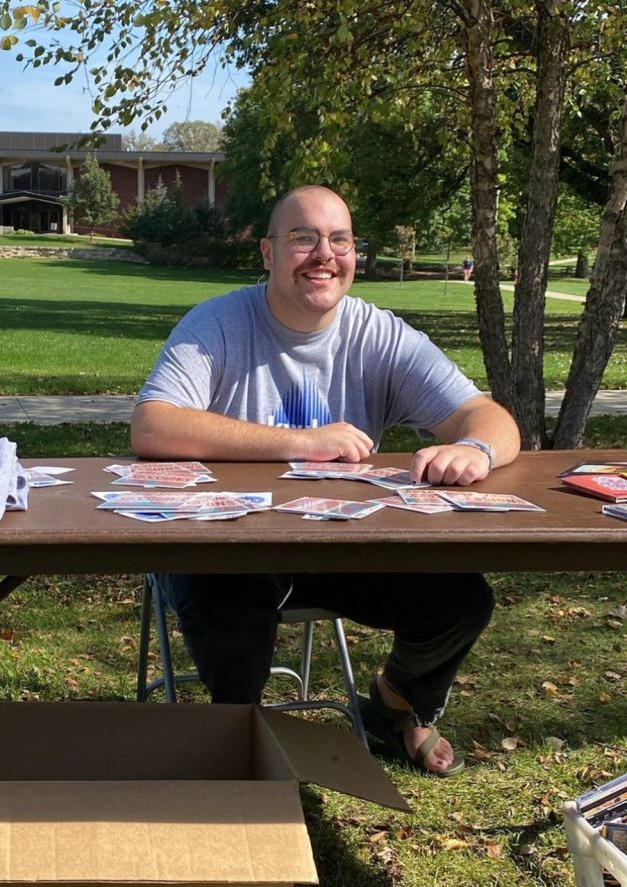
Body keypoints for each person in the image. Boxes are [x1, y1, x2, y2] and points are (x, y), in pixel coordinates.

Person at [131, 185, 520, 777]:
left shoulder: (380, 335)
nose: (324, 253)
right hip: (228, 541)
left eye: (339, 239)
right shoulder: (217, 323)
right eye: (302, 237)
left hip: (339, 543)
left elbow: (489, 417)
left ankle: (394, 705)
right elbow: (153, 426)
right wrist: (301, 443)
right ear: (267, 252)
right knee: (229, 599)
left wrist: (474, 448)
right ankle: (239, 737)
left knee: (461, 602)